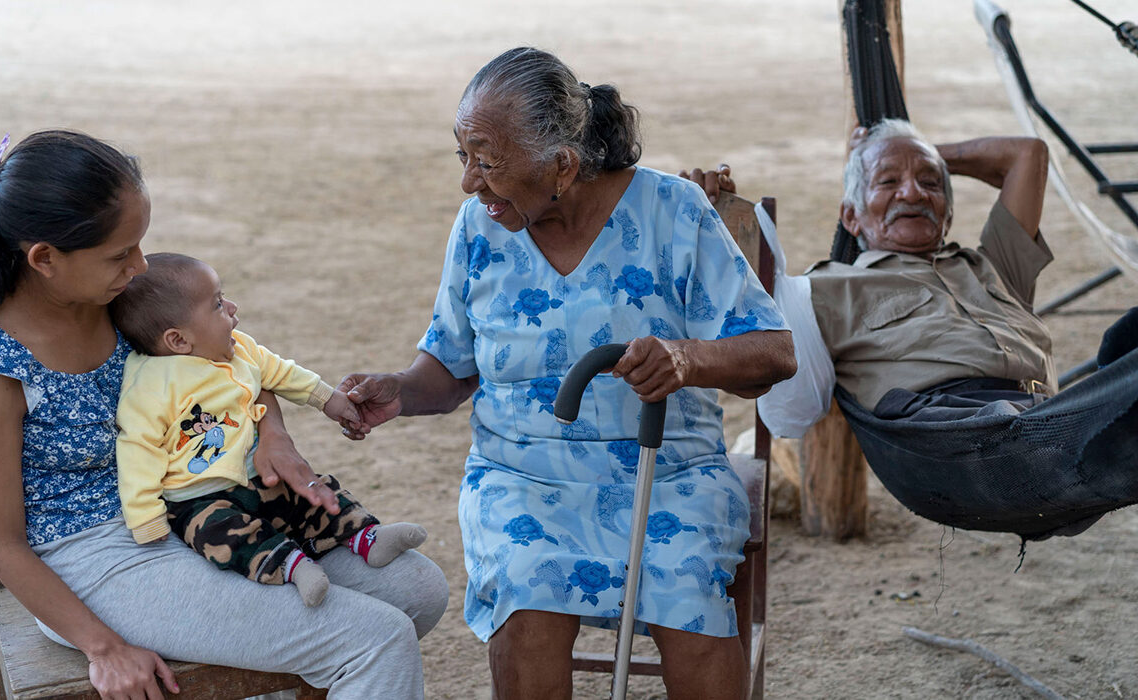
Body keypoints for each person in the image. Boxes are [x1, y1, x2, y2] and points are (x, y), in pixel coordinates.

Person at [335, 47, 797, 699]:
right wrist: (399, 391)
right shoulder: (479, 227)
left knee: (685, 583)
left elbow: (774, 353)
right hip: (520, 475)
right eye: (462, 156)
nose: (469, 181)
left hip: (665, 467)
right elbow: (449, 370)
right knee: (526, 589)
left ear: (563, 165)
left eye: (487, 161)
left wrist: (687, 359)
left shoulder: (674, 210)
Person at [0, 130, 447, 699]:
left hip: (203, 503)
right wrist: (103, 647)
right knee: (374, 638)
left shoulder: (121, 298)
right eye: (119, 253)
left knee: (416, 590)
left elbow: (231, 357)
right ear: (45, 259)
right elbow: (2, 546)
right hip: (99, 559)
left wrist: (271, 432)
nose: (139, 264)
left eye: (139, 244)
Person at [109, 252, 428, 607]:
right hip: (197, 498)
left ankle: (366, 535)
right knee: (223, 536)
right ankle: (293, 568)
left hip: (262, 478)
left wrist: (332, 401)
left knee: (313, 496)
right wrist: (147, 521)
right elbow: (138, 450)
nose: (231, 306)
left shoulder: (238, 348)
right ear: (178, 341)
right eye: (217, 304)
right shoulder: (149, 387)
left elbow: (283, 373)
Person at [691, 118, 1064, 419]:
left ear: (949, 214)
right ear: (852, 216)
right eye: (888, 181)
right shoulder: (822, 289)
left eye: (930, 182)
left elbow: (1028, 154)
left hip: (1050, 416)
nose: (913, 193)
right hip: (952, 432)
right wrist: (712, 225)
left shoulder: (994, 264)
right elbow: (772, 389)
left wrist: (919, 153)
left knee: (1124, 348)